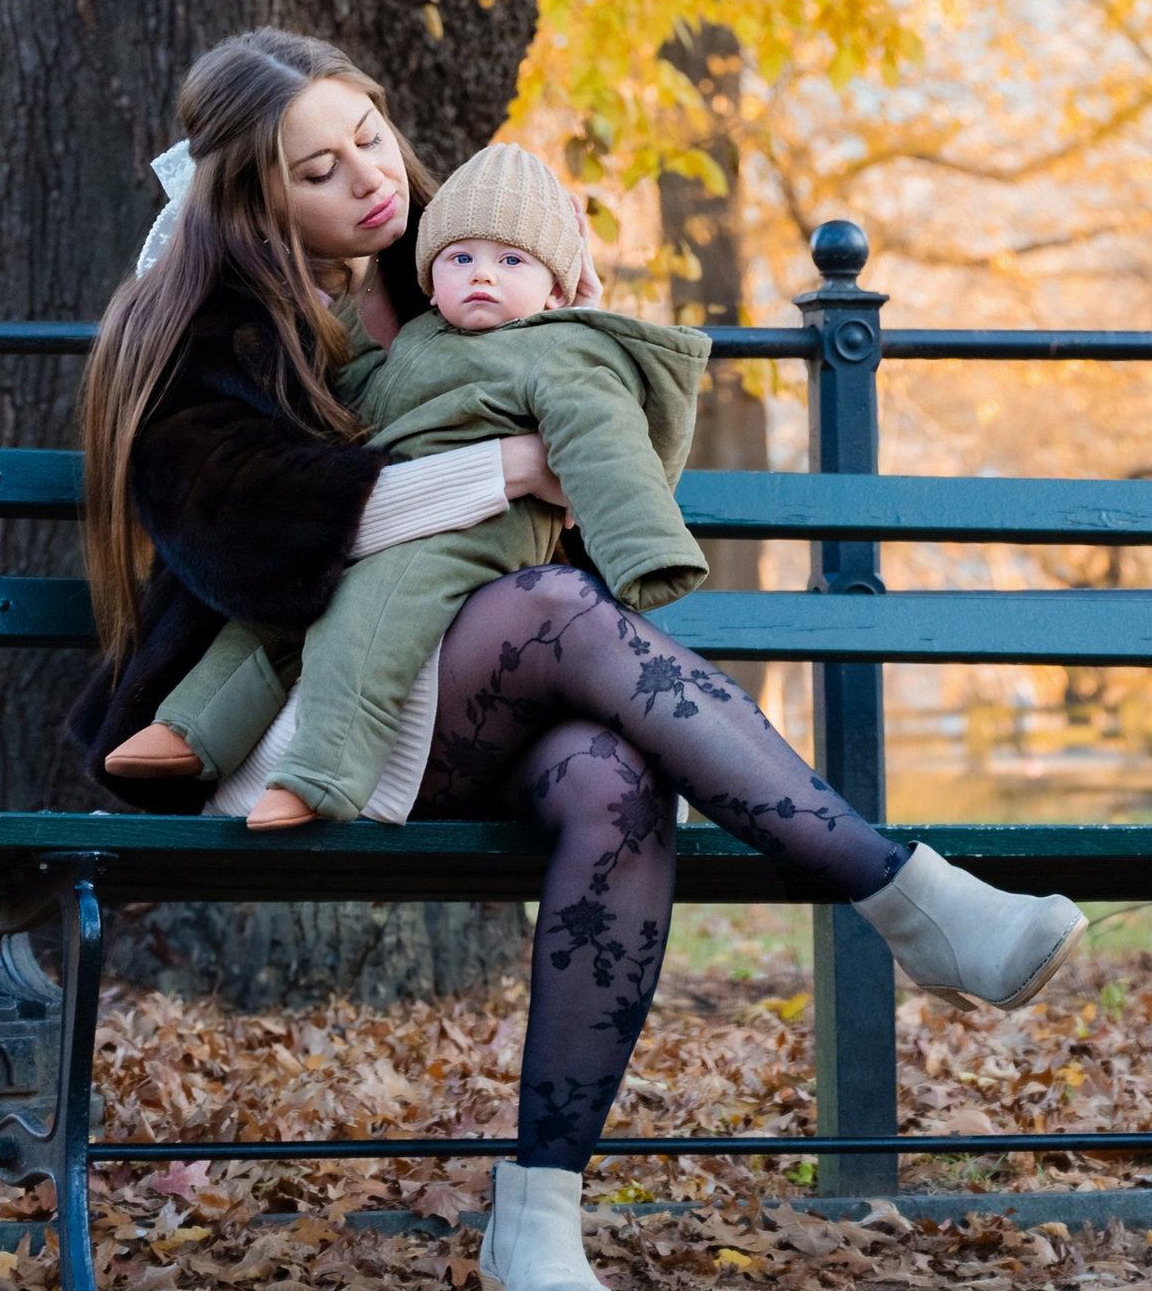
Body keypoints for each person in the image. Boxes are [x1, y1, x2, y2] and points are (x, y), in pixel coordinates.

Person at [69, 28, 1086, 1291]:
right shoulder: (199, 320)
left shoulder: (453, 258)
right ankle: (906, 896)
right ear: (256, 201)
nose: (370, 179)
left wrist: (576, 339)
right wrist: (501, 468)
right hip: (298, 712)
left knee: (614, 776)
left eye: (370, 136)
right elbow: (250, 537)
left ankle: (539, 1216)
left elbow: (593, 469)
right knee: (552, 606)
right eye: (319, 170)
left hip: (479, 691)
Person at [110, 139, 713, 826]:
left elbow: (607, 444)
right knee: (276, 611)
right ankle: (190, 729)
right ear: (431, 281)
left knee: (368, 616)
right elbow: (364, 386)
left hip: (476, 537)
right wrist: (320, 302)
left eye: (512, 261)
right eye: (461, 258)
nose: (483, 275)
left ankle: (320, 776)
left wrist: (645, 552)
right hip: (401, 539)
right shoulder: (422, 341)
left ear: (554, 288)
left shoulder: (560, 350)